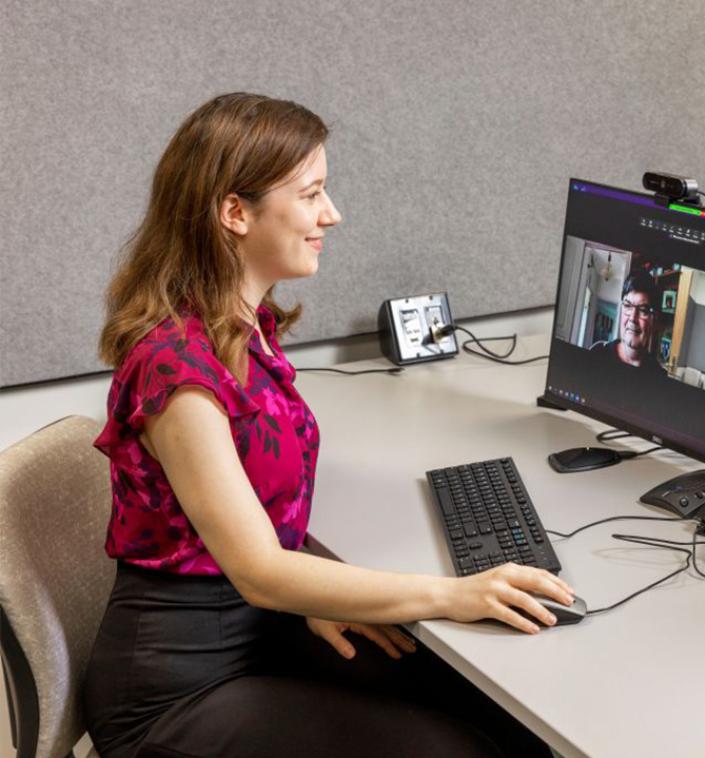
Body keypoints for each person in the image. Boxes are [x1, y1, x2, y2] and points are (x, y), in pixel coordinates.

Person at [82, 93, 571, 758]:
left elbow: (258, 525)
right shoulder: (176, 372)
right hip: (176, 692)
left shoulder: (240, 326)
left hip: (259, 630)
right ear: (234, 212)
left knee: (496, 716)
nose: (330, 215)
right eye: (311, 194)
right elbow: (257, 571)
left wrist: (319, 591)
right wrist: (451, 594)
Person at [589, 269, 666, 374]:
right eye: (627, 306)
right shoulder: (597, 353)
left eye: (643, 310)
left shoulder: (658, 375)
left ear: (654, 319)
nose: (633, 318)